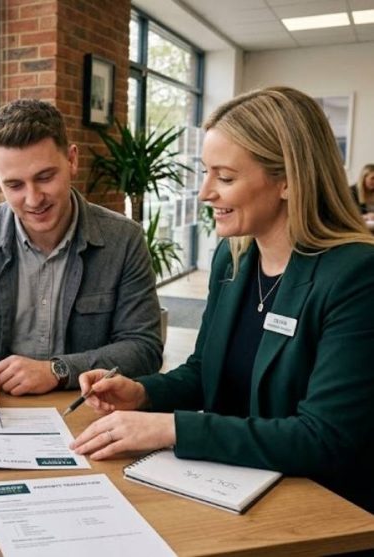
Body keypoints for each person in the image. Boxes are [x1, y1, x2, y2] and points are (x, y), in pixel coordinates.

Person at [70, 86, 374, 514]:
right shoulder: (233, 259)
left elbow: (323, 438)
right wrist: (142, 393)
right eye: (206, 173)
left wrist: (172, 429)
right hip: (225, 487)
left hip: (313, 507)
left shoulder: (356, 275)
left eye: (226, 177)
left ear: (288, 180)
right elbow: (205, 372)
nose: (205, 193)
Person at [0, 99, 162, 414]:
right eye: (14, 185)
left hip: (84, 412)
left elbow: (143, 348)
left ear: (72, 159)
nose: (33, 199)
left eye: (45, 177)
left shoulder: (124, 239)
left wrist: (58, 370)